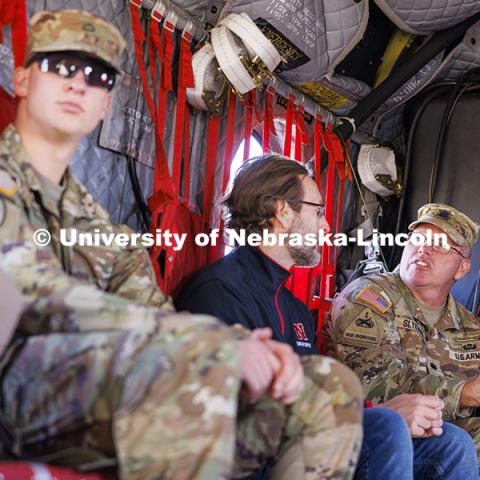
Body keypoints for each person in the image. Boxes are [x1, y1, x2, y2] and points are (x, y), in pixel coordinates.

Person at [0, 9, 364, 480]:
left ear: (107, 103)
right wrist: (212, 345)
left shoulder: (94, 225)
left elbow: (152, 316)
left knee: (325, 386)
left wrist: (243, 353)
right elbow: (27, 300)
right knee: (203, 388)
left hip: (90, 395)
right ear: (25, 79)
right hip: (22, 391)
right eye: (59, 67)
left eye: (97, 75)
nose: (78, 85)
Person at [176, 156, 478, 479]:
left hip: (306, 442)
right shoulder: (221, 294)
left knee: (451, 444)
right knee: (387, 428)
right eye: (318, 212)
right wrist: (376, 414)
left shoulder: (293, 308)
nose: (325, 226)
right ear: (283, 212)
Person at [323, 202, 480, 466]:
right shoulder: (368, 298)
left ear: (462, 269)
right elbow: (373, 391)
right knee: (455, 443)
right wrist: (463, 393)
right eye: (418, 238)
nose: (424, 248)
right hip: (367, 442)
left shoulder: (469, 326)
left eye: (440, 244)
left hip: (445, 447)